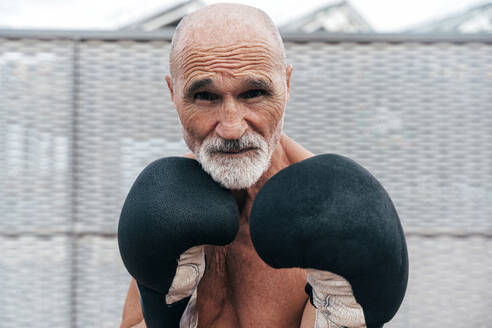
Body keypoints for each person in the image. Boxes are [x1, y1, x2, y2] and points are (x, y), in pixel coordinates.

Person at [118, 3, 407, 328]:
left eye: (254, 92)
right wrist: (171, 316)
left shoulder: (326, 214)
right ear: (173, 94)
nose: (231, 128)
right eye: (205, 96)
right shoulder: (167, 210)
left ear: (286, 86)